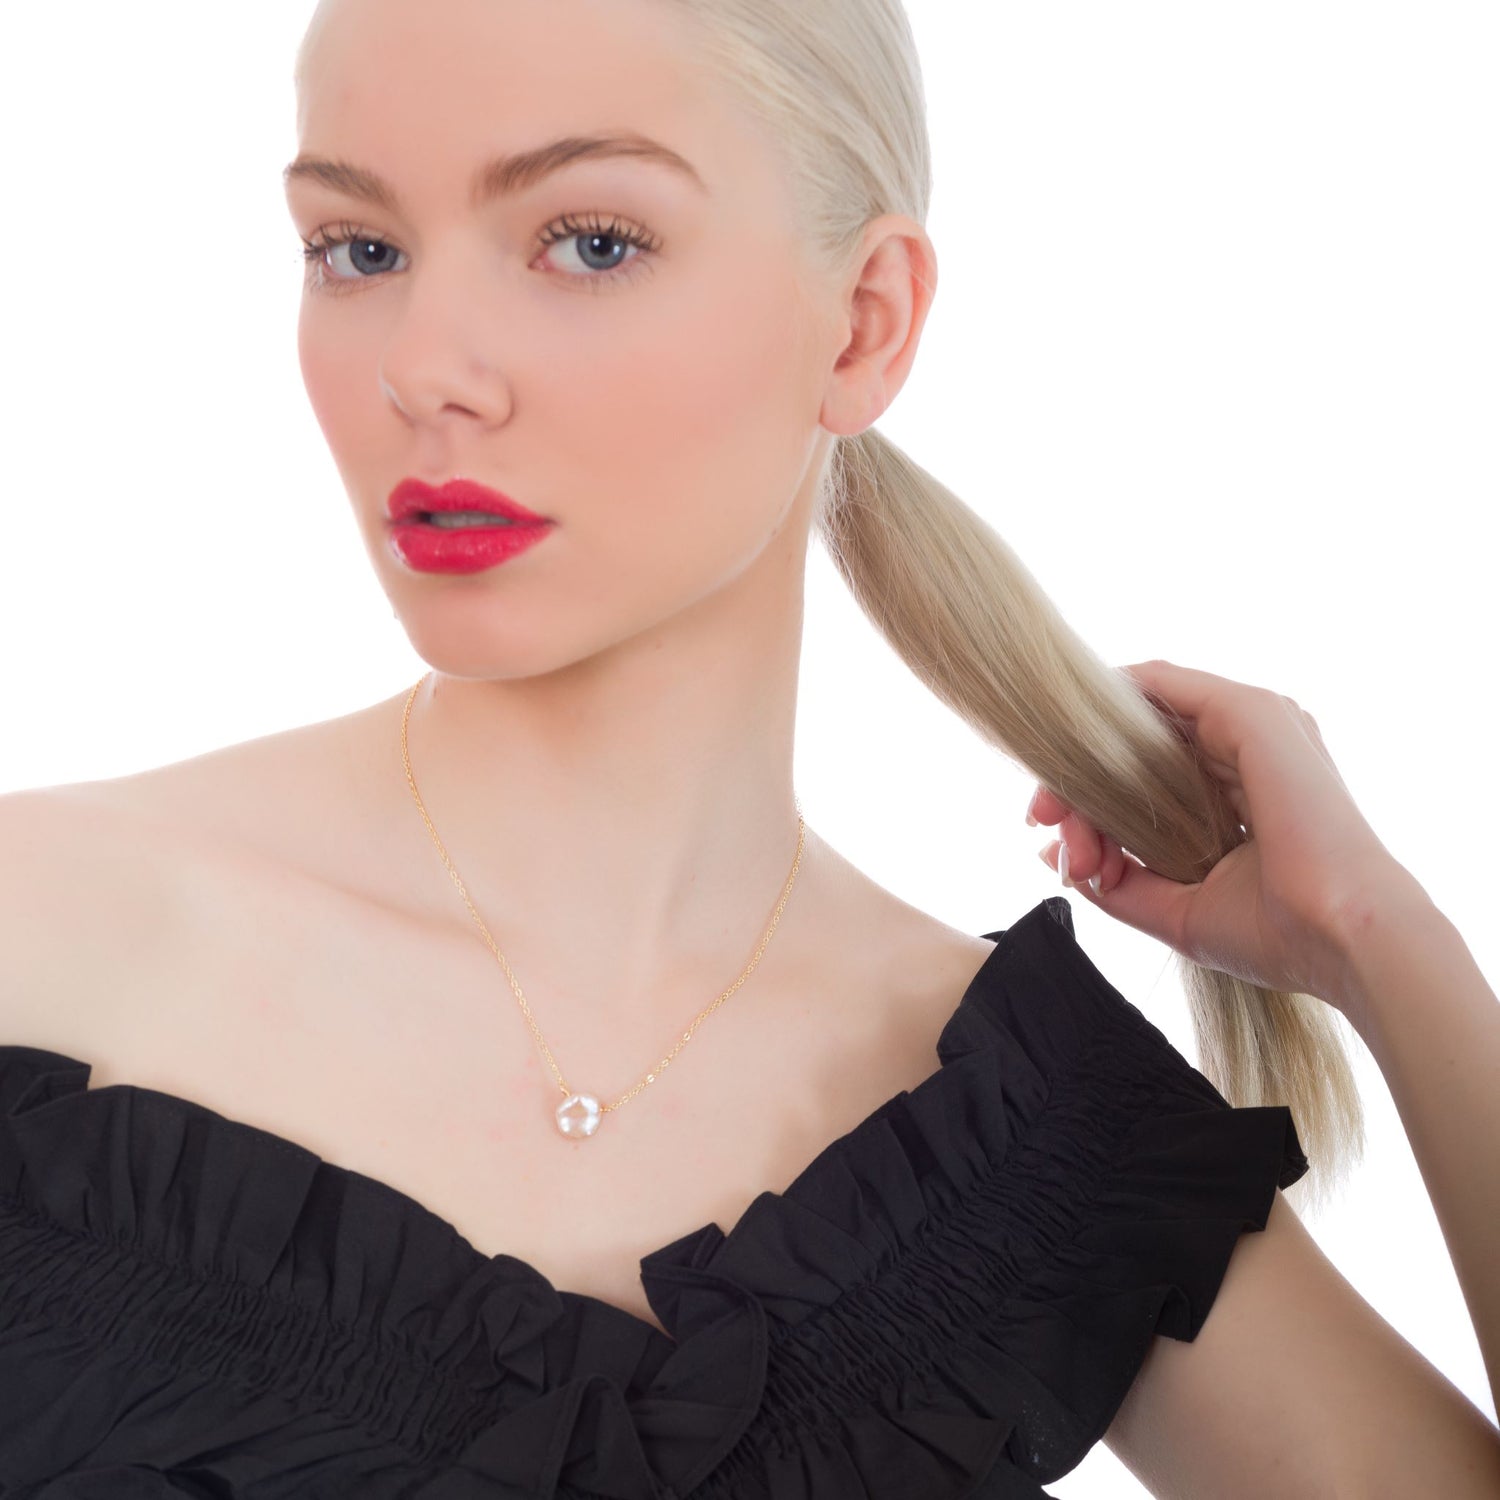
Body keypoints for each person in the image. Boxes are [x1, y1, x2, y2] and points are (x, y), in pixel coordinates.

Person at [1, 0, 1497, 1495]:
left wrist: (1387, 948)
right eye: (359, 250)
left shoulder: (1038, 1142)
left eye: (590, 242)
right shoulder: (37, 924)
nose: (424, 366)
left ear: (864, 323)